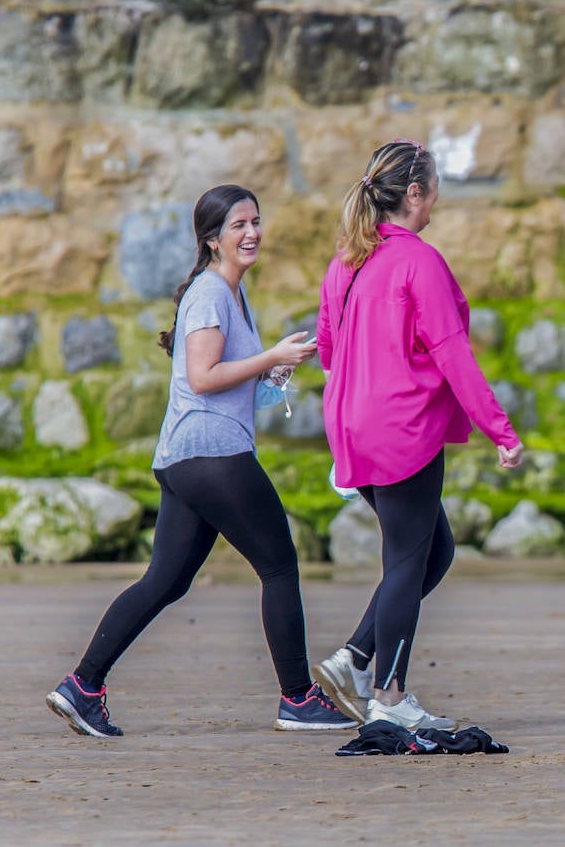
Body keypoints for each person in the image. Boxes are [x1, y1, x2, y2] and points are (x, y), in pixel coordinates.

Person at [46, 184, 356, 737]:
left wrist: (274, 372)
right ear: (212, 240)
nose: (252, 233)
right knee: (280, 566)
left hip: (186, 456)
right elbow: (203, 378)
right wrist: (270, 355)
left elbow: (231, 387)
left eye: (256, 222)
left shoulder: (231, 296)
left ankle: (82, 687)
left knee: (166, 580)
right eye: (239, 225)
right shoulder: (212, 293)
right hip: (213, 454)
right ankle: (298, 700)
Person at [311, 139, 524, 732]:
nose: (434, 206)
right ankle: (389, 693)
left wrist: (351, 407)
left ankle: (355, 658)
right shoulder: (418, 261)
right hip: (402, 428)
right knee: (406, 560)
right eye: (432, 194)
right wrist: (500, 430)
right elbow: (453, 354)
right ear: (413, 194)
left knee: (435, 550)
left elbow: (329, 349)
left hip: (353, 426)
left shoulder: (345, 261)